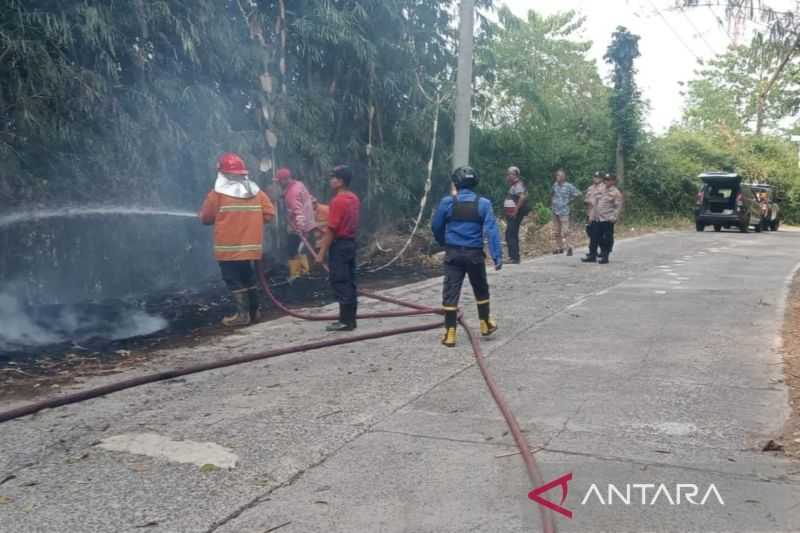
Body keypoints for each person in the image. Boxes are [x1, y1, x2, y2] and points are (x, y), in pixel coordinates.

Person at [200, 153, 276, 326]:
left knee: (233, 279)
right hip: (250, 249)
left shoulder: (217, 194)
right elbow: (270, 215)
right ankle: (254, 312)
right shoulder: (257, 192)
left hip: (228, 249)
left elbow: (205, 218)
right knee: (248, 277)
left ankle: (242, 316)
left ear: (222, 173)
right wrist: (252, 221)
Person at [432, 166, 502, 348]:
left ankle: (449, 333)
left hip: (453, 254)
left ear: (456, 183)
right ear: (475, 182)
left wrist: (443, 242)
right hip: (474, 255)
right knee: (480, 288)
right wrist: (497, 256)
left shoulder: (448, 202)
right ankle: (485, 323)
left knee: (451, 291)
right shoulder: (484, 204)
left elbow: (436, 226)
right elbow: (492, 231)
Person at [316, 165, 361, 332]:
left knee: (340, 281)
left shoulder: (338, 201)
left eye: (333, 177)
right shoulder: (353, 198)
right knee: (350, 281)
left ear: (340, 181)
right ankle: (351, 319)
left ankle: (345, 321)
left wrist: (321, 253)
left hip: (339, 246)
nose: (331, 180)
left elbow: (332, 229)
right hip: (350, 244)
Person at [274, 167, 323, 281]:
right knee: (299, 250)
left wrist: (300, 229)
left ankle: (297, 276)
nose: (278, 184)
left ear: (285, 180)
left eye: (279, 181)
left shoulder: (291, 194)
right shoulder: (299, 185)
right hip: (308, 223)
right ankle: (304, 274)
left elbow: (298, 212)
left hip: (298, 227)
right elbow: (311, 199)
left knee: (291, 251)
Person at [594, 173, 624, 264]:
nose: (606, 181)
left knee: (607, 237)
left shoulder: (616, 192)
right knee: (597, 237)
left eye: (608, 179)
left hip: (608, 219)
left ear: (613, 181)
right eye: (605, 179)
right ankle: (604, 251)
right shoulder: (602, 189)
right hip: (599, 218)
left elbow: (618, 206)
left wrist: (614, 217)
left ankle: (605, 255)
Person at [550, 169, 580, 256]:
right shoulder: (555, 185)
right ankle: (560, 248)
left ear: (563, 177)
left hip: (564, 211)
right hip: (555, 210)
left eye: (559, 176)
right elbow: (552, 194)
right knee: (556, 231)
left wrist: (571, 200)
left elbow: (578, 193)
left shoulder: (568, 186)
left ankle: (569, 247)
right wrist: (552, 204)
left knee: (565, 231)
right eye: (557, 175)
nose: (557, 177)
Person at [504, 166, 530, 264]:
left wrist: (515, 211)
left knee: (511, 233)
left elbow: (522, 197)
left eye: (509, 174)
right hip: (512, 214)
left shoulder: (518, 185)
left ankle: (514, 257)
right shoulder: (514, 185)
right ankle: (514, 256)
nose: (507, 176)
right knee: (511, 233)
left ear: (515, 175)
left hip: (515, 214)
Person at [582, 171, 606, 263]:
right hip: (589, 214)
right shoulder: (590, 188)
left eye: (598, 177)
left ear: (601, 178)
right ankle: (601, 251)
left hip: (599, 215)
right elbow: (587, 199)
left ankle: (593, 254)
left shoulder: (604, 188)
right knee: (590, 232)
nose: (596, 178)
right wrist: (587, 201)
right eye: (595, 177)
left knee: (595, 235)